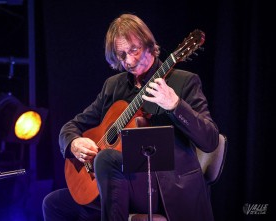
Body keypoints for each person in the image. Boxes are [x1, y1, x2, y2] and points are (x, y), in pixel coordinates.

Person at [42, 13, 219, 221]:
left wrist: (175, 105)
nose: (130, 60)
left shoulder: (184, 82)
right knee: (54, 204)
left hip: (165, 189)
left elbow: (210, 140)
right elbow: (72, 126)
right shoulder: (113, 86)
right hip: (117, 187)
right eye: (121, 55)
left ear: (148, 44)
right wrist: (73, 142)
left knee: (106, 158)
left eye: (134, 50)